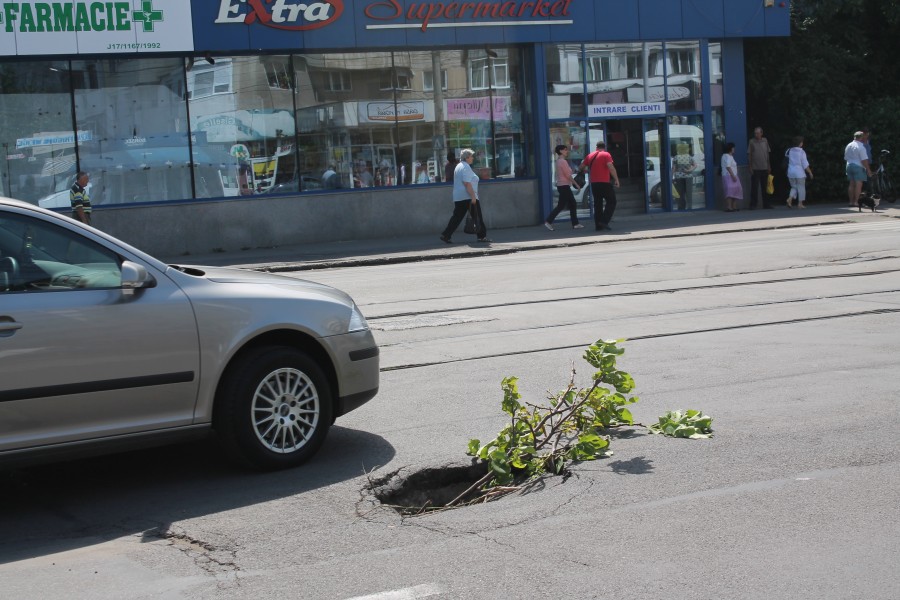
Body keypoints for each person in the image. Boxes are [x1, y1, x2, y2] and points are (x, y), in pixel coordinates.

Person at [440, 148, 489, 243]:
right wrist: (473, 197)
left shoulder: (459, 166)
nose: (473, 158)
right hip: (468, 197)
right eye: (471, 157)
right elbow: (467, 183)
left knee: (457, 217)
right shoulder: (465, 167)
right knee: (477, 217)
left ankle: (446, 235)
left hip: (459, 197)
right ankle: (482, 236)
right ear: (467, 157)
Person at [578, 141, 620, 231]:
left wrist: (585, 170)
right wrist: (616, 179)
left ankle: (598, 226)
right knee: (612, 201)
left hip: (594, 183)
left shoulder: (590, 156)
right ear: (604, 147)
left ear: (596, 147)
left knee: (598, 204)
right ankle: (604, 221)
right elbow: (610, 167)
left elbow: (581, 167)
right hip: (604, 182)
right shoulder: (606, 155)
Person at [545, 144, 584, 230]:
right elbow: (568, 175)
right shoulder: (563, 161)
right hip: (564, 185)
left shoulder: (559, 161)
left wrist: (573, 171)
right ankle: (549, 221)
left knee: (567, 204)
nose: (567, 151)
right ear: (561, 151)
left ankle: (575, 223)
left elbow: (566, 173)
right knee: (568, 204)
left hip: (562, 185)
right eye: (565, 150)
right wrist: (576, 184)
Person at [747, 126, 773, 209]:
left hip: (765, 167)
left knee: (765, 187)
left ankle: (766, 204)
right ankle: (753, 205)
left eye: (758, 133)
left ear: (761, 133)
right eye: (755, 133)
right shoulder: (751, 141)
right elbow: (749, 155)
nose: (756, 134)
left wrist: (769, 166)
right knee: (754, 187)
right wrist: (750, 166)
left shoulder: (765, 141)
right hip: (755, 167)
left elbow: (767, 154)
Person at [785, 136, 813, 209]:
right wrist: (810, 172)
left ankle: (790, 199)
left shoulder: (789, 150)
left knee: (794, 187)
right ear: (800, 143)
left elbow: (786, 156)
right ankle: (800, 204)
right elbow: (805, 164)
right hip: (799, 172)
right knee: (801, 187)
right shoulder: (802, 152)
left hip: (790, 172)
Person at [845, 131, 872, 207]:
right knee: (858, 185)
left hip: (849, 165)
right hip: (858, 166)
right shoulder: (861, 147)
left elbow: (846, 157)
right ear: (861, 137)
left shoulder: (849, 145)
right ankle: (856, 202)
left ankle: (850, 201)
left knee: (851, 184)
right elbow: (864, 160)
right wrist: (868, 170)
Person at [672, 142, 696, 210]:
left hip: (679, 177)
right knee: (689, 193)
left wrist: (672, 177)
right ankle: (689, 207)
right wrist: (689, 170)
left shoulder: (676, 157)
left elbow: (674, 168)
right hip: (688, 176)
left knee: (680, 193)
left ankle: (681, 207)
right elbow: (695, 165)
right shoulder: (689, 157)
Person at [721, 142, 743, 212]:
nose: (734, 149)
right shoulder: (727, 156)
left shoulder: (726, 156)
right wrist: (733, 176)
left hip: (730, 175)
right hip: (730, 176)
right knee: (730, 191)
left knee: (735, 189)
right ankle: (730, 207)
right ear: (730, 149)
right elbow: (728, 166)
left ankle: (733, 206)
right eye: (733, 148)